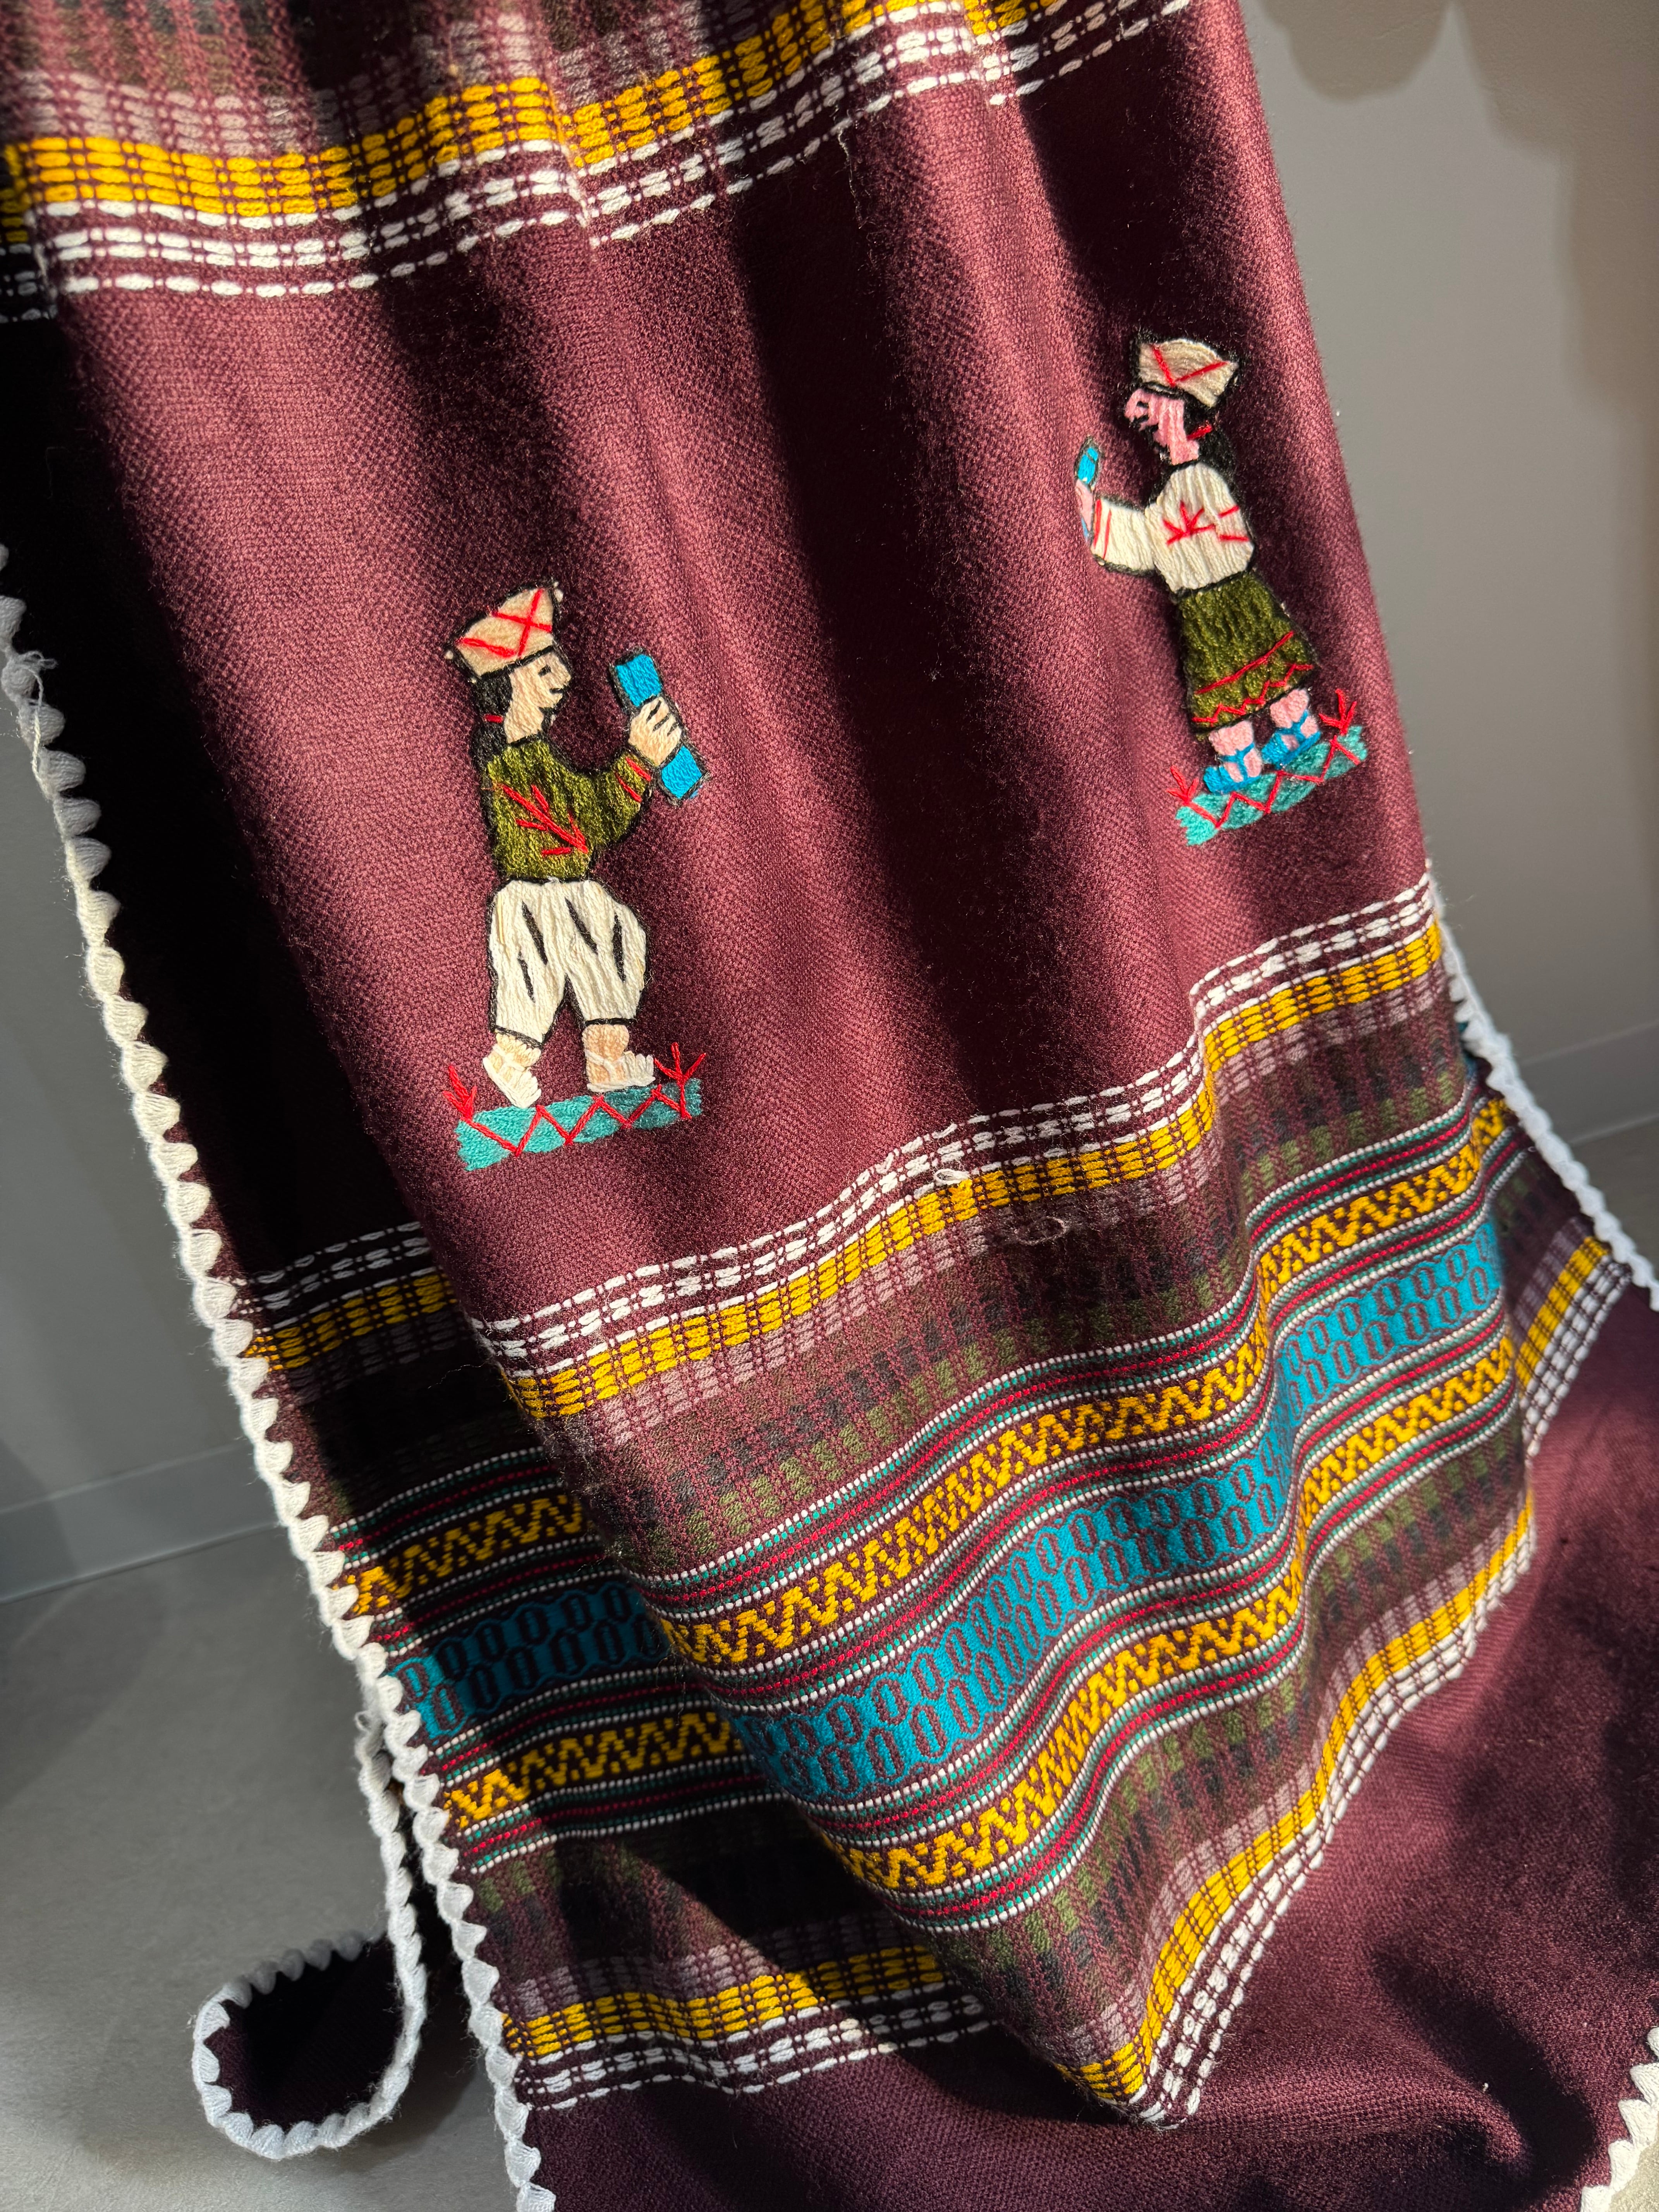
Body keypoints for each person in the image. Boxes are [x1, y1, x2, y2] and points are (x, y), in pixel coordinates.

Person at [446, 582, 685, 1108]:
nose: (566, 677)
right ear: (510, 684)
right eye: (545, 671)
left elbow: (589, 811)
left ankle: (606, 1060)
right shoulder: (510, 764)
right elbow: (584, 825)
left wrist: (640, 763)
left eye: (558, 664)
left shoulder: (540, 756)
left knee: (618, 941)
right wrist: (638, 761)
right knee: (533, 982)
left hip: (570, 891)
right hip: (534, 899)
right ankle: (509, 1062)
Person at [1075, 338, 1319, 795]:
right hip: (1241, 595)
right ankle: (1298, 730)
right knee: (1267, 669)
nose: (1144, 425)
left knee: (1225, 690)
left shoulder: (1191, 483)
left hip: (1210, 607)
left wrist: (1093, 509)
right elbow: (1165, 538)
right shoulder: (1195, 480)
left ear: (1176, 413)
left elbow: (1151, 543)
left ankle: (1244, 764)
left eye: (1151, 412)